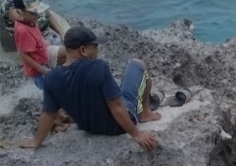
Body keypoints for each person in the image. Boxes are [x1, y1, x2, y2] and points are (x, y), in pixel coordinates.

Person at [18, 27, 161, 150]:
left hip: (90, 128)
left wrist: (36, 141)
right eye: (95, 46)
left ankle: (144, 111)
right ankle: (145, 113)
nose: (97, 50)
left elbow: (48, 114)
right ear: (83, 50)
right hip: (118, 126)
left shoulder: (51, 78)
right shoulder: (99, 67)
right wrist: (136, 134)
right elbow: (117, 105)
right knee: (137, 64)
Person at [12, 0, 57, 90]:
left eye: (38, 11)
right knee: (51, 91)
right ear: (20, 11)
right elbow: (23, 54)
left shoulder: (29, 21)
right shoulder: (23, 30)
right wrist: (42, 70)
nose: (37, 15)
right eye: (33, 13)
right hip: (38, 70)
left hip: (43, 60)